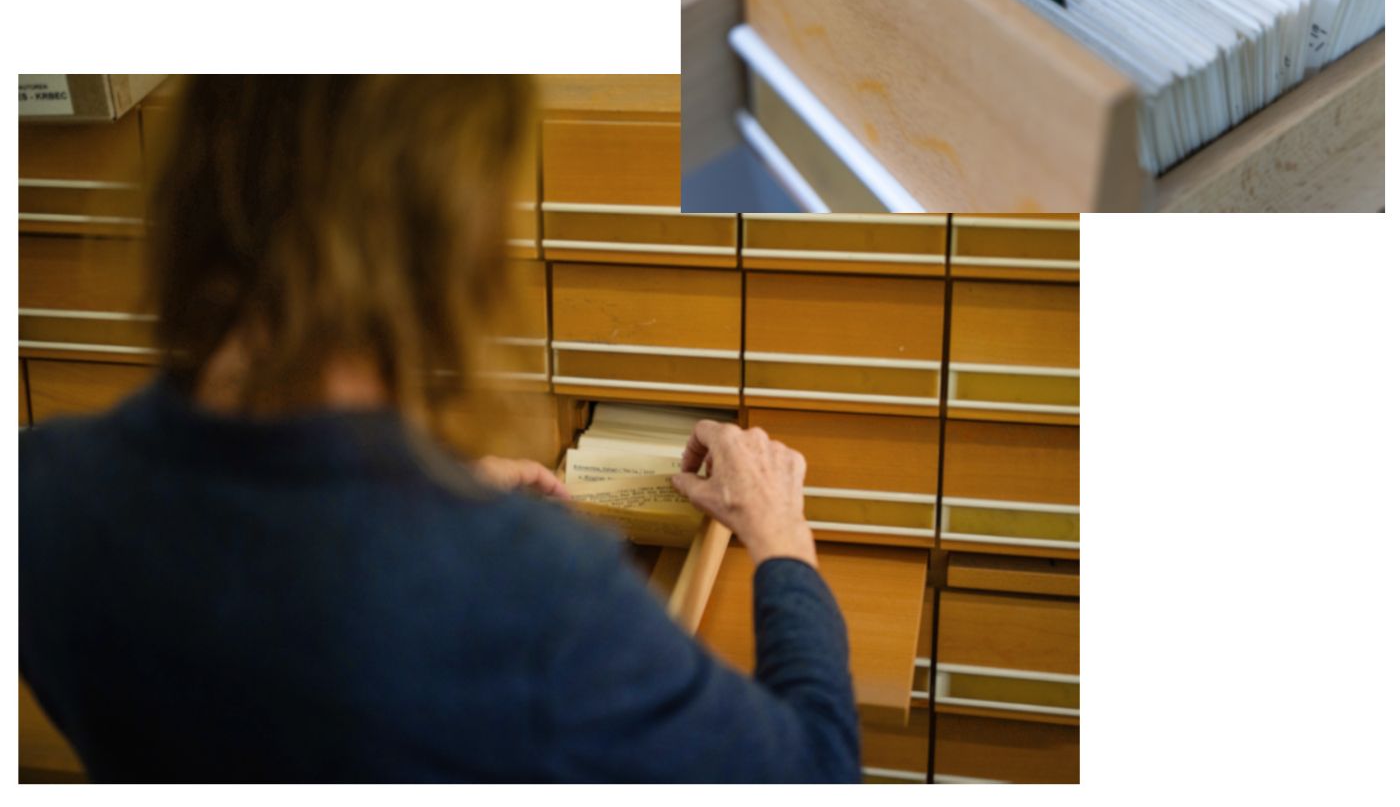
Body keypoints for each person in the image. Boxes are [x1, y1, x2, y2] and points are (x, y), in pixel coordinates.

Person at [18, 77, 860, 782]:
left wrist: (424, 497)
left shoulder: (44, 495)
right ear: (451, 230)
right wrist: (782, 536)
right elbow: (817, 772)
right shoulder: (533, 594)